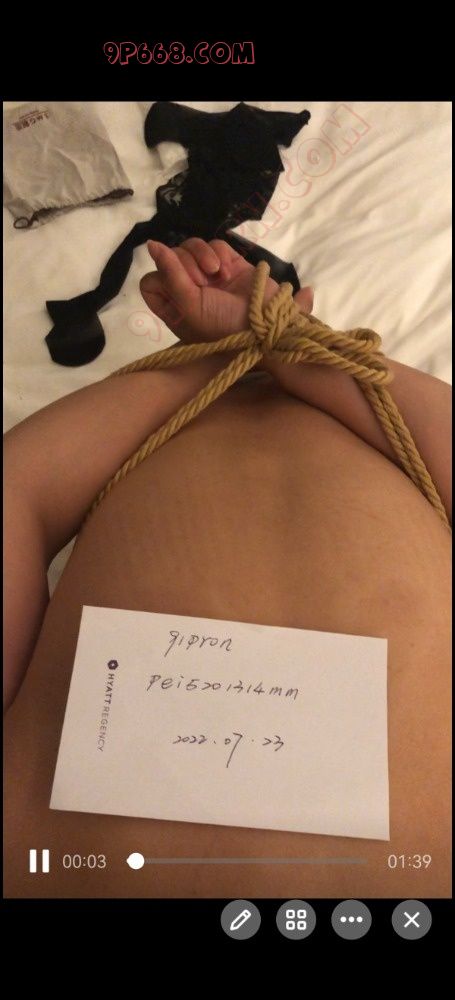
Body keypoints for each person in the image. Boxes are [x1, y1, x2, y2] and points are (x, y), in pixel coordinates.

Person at [4, 238, 451, 899]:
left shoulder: (366, 417)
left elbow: (19, 481)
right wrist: (240, 347)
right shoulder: (161, 419)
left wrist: (277, 344)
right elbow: (19, 490)